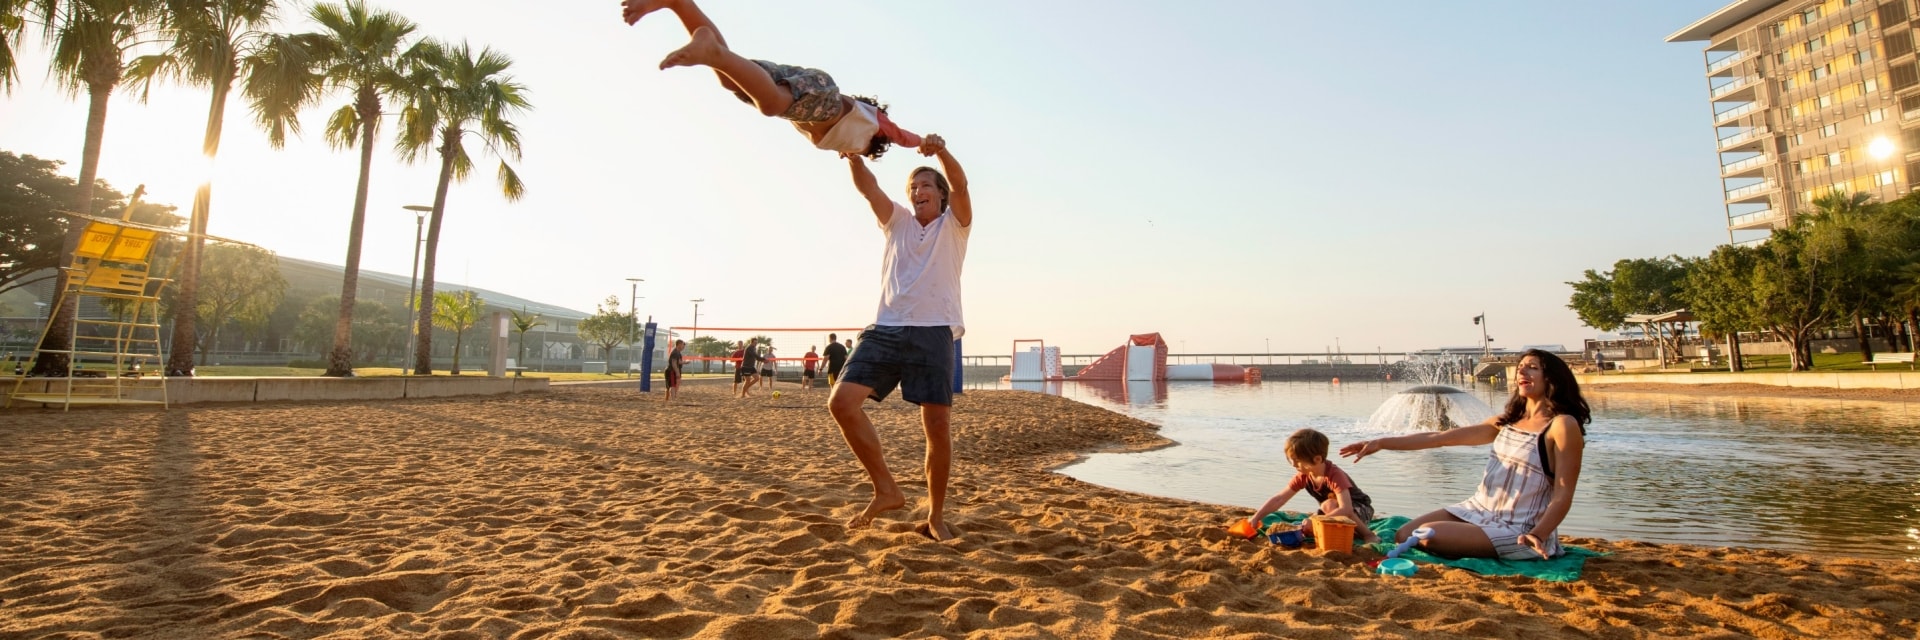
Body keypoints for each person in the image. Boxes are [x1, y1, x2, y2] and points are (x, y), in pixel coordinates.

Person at [827, 134, 971, 541]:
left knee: (937, 426)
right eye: (913, 186)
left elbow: (961, 185)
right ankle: (887, 489)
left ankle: (935, 516)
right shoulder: (898, 221)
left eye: (926, 185)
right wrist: (854, 158)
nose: (917, 191)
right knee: (841, 403)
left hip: (935, 330)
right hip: (886, 327)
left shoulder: (954, 225)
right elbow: (869, 189)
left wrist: (940, 152)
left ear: (940, 195)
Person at [1340, 349, 1589, 560]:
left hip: (1520, 527)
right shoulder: (1508, 420)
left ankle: (1522, 543)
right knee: (1404, 534)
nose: (1522, 372)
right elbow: (1438, 438)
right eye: (1520, 367)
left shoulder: (1561, 425)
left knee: (1427, 535)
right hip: (1479, 509)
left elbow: (1563, 494)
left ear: (1552, 379)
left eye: (1532, 368)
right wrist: (1381, 442)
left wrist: (1539, 534)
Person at [622, 0, 921, 159]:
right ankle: (713, 53)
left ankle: (679, 4)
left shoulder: (845, 144)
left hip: (808, 84)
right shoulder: (872, 127)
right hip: (823, 94)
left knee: (732, 81)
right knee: (772, 105)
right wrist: (924, 143)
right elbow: (902, 136)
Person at [1244, 429, 1381, 543]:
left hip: (1359, 510)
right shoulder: (1304, 475)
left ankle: (1368, 534)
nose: (1293, 465)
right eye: (1291, 460)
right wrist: (1256, 517)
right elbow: (1279, 498)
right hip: (1333, 511)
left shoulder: (1334, 475)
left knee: (1327, 505)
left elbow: (1346, 509)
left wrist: (1315, 520)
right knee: (1313, 519)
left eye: (1297, 460)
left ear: (1317, 459)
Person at [663, 339, 685, 404]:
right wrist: (677, 372)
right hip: (672, 371)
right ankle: (673, 399)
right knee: (673, 385)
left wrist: (685, 362)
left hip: (674, 370)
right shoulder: (675, 352)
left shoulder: (678, 353)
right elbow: (674, 363)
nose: (683, 346)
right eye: (682, 345)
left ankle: (669, 398)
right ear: (679, 344)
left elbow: (678, 362)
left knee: (673, 385)